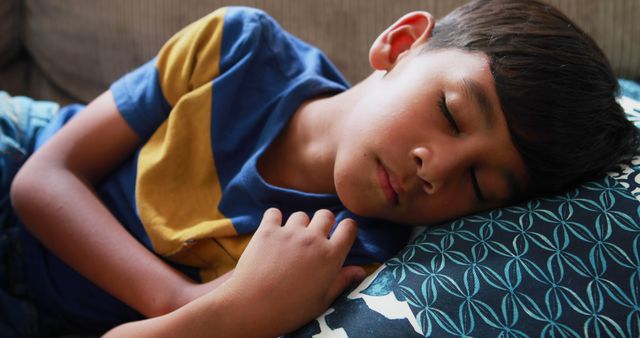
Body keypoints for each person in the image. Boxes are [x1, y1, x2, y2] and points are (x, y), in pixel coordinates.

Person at [1, 0, 637, 336]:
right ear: (398, 44)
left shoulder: (348, 262)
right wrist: (184, 300)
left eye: (479, 184)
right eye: (449, 112)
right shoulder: (238, 49)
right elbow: (41, 179)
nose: (435, 170)